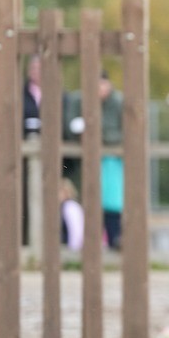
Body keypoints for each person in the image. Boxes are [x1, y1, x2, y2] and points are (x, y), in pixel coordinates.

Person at [64, 70, 125, 249]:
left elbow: (124, 133)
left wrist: (97, 135)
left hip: (110, 162)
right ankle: (87, 244)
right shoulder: (78, 100)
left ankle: (113, 240)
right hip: (81, 163)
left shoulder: (118, 102)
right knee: (85, 203)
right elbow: (69, 127)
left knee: (110, 203)